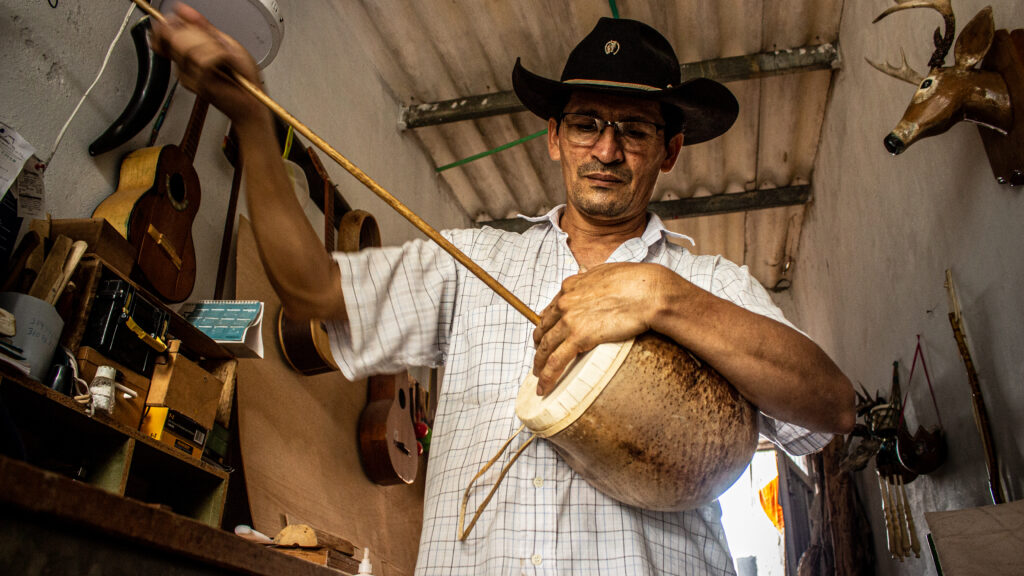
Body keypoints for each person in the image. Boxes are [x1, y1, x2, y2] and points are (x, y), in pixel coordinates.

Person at [153, 8, 855, 575]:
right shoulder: (471, 262)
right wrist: (251, 121)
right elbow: (312, 290)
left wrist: (662, 297)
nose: (606, 150)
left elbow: (833, 408)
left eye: (635, 130)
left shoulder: (710, 285)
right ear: (554, 137)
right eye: (586, 124)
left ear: (670, 150)